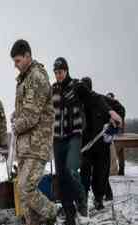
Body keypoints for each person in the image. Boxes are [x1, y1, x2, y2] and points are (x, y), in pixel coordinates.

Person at [52, 58, 122, 224]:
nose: (58, 75)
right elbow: (43, 107)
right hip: (64, 139)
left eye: (60, 72)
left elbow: (96, 99)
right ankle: (70, 214)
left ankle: (88, 200)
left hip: (80, 138)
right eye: (55, 73)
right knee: (63, 177)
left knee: (76, 171)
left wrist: (111, 112)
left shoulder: (77, 87)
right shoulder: (53, 89)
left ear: (67, 70)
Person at [10, 39, 58, 225]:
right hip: (26, 145)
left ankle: (53, 211)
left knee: (25, 188)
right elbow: (28, 108)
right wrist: (16, 114)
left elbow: (31, 116)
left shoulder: (36, 77)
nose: (15, 66)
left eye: (18, 61)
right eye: (14, 62)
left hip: (37, 145)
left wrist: (16, 125)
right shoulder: (25, 78)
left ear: (28, 56)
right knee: (23, 194)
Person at [79, 79, 124, 209]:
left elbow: (120, 109)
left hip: (101, 145)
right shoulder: (78, 103)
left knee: (100, 175)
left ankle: (99, 199)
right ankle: (83, 200)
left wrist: (114, 126)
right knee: (84, 173)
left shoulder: (101, 100)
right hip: (86, 146)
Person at [107, 92, 126, 176]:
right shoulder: (106, 107)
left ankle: (120, 170)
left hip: (115, 134)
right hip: (107, 134)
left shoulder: (117, 108)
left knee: (119, 151)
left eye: (110, 98)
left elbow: (121, 123)